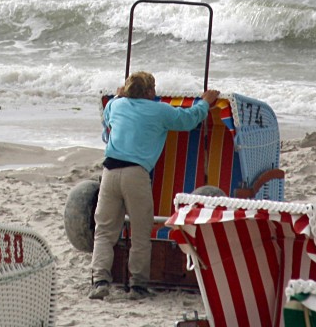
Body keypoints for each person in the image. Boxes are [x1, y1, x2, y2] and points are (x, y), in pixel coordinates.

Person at [89, 71, 220, 301]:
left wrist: (119, 97)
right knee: (140, 232)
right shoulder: (159, 111)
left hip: (109, 173)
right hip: (135, 175)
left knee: (104, 231)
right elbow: (188, 119)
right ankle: (137, 285)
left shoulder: (116, 105)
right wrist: (205, 103)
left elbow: (107, 117)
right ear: (149, 92)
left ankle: (100, 281)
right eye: (154, 89)